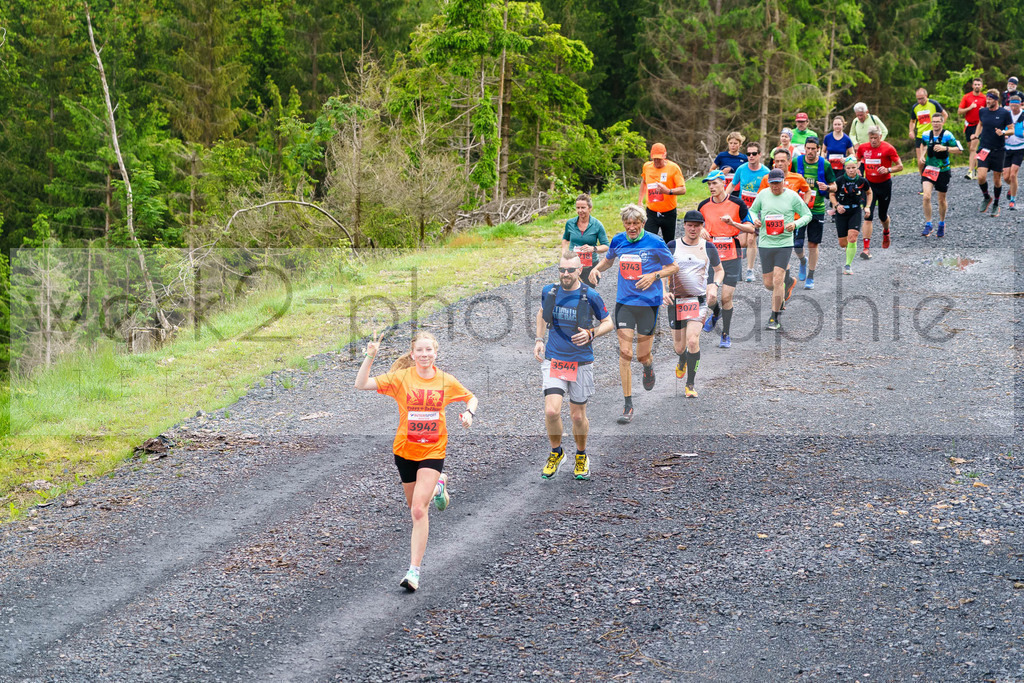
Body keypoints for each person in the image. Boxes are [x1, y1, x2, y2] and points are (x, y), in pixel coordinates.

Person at [354, 330, 478, 592]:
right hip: (404, 451)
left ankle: (414, 571)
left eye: (428, 350)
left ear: (436, 353)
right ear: (412, 354)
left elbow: (471, 397)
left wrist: (469, 413)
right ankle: (439, 486)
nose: (424, 355)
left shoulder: (445, 380)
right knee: (414, 504)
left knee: (419, 511)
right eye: (419, 351)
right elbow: (361, 384)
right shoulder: (401, 378)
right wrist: (369, 356)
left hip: (433, 450)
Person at [588, 204, 678, 424]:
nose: (631, 227)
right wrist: (596, 269)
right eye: (627, 224)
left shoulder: (655, 242)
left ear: (642, 223)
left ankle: (648, 366)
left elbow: (673, 267)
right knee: (625, 353)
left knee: (641, 356)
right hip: (625, 302)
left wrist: (655, 275)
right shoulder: (618, 240)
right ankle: (628, 405)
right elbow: (609, 259)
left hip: (648, 304)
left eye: (635, 224)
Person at [535, 252, 613, 481]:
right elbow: (541, 313)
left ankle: (581, 455)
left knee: (578, 417)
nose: (565, 274)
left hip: (580, 361)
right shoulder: (549, 291)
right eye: (562, 270)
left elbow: (608, 322)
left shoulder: (591, 296)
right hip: (555, 359)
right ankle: (556, 452)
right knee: (551, 410)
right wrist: (539, 340)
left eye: (570, 270)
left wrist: (591, 333)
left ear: (580, 270)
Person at [664, 211, 724, 397]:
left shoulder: (709, 247)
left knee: (692, 340)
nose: (693, 229)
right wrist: (664, 292)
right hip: (676, 302)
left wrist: (714, 285)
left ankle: (690, 385)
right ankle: (682, 358)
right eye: (689, 225)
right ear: (684, 225)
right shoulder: (672, 246)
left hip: (697, 301)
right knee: (679, 347)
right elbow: (661, 271)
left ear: (702, 227)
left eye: (697, 226)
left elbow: (719, 270)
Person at [698, 171, 756, 348]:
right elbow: (696, 225)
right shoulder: (703, 206)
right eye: (708, 184)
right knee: (710, 297)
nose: (711, 187)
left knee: (726, 298)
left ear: (724, 183)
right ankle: (716, 313)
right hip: (711, 255)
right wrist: (700, 230)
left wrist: (733, 224)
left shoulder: (737, 204)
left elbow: (751, 228)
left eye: (714, 183)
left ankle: (725, 334)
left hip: (732, 254)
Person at [748, 169, 807, 331]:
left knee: (777, 279)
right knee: (768, 284)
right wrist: (755, 220)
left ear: (783, 181)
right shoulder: (763, 195)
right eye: (772, 183)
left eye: (778, 183)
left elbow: (807, 215)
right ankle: (787, 284)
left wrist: (795, 224)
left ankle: (774, 317)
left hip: (784, 243)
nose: (775, 186)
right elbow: (752, 210)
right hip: (766, 243)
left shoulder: (792, 196)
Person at [790, 137, 837, 290]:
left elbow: (835, 186)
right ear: (804, 148)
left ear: (818, 149)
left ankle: (811, 275)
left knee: (812, 244)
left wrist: (828, 188)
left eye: (813, 149)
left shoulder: (825, 164)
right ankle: (802, 261)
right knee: (797, 245)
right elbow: (789, 180)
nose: (810, 152)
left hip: (817, 209)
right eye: (808, 148)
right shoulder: (797, 162)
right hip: (799, 209)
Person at [856, 127, 904, 258]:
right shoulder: (863, 148)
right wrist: (859, 169)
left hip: (884, 185)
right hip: (869, 186)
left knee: (882, 215)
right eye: (871, 138)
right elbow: (858, 160)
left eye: (875, 138)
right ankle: (866, 249)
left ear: (880, 137)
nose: (873, 141)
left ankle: (886, 231)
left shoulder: (888, 148)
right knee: (868, 214)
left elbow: (900, 166)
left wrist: (888, 169)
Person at [731, 141, 770, 282]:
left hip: (757, 210)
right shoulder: (741, 169)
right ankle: (746, 255)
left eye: (754, 153)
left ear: (759, 155)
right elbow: (732, 185)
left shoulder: (766, 172)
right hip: (743, 209)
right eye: (748, 154)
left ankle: (749, 270)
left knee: (751, 238)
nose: (751, 156)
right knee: (741, 242)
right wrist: (723, 198)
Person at [918, 113, 963, 237]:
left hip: (943, 170)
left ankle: (942, 223)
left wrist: (945, 148)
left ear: (942, 122)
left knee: (941, 199)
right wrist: (922, 155)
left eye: (938, 121)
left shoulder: (948, 135)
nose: (936, 124)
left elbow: (959, 150)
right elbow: (923, 144)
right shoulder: (926, 134)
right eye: (934, 121)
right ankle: (928, 224)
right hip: (929, 169)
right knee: (926, 196)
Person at [972, 89, 1013, 217]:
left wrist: (1004, 132)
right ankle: (986, 197)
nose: (987, 101)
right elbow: (980, 124)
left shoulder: (1004, 113)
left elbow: (1011, 130)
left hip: (998, 150)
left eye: (990, 99)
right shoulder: (982, 111)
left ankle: (996, 204)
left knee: (997, 180)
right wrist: (976, 134)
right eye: (987, 99)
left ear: (996, 100)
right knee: (981, 176)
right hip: (984, 148)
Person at [829, 157, 872, 275]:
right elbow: (832, 194)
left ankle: (848, 265)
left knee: (852, 238)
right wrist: (837, 205)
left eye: (853, 167)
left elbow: (869, 192)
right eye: (848, 168)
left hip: (855, 210)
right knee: (843, 243)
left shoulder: (862, 181)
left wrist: (867, 206)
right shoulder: (839, 180)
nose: (851, 170)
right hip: (842, 212)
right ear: (845, 168)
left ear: (857, 167)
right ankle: (850, 249)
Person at [639, 142, 686, 243]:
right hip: (651, 212)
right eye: (654, 159)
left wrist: (668, 191)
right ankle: (651, 258)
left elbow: (683, 189)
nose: (656, 161)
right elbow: (643, 183)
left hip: (669, 212)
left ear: (665, 156)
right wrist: (640, 202)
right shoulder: (647, 166)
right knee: (648, 240)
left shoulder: (673, 168)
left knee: (669, 243)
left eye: (659, 159)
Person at [561, 193, 609, 285]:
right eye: (578, 208)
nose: (580, 210)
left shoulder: (597, 225)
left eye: (583, 207)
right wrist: (564, 255)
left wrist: (593, 249)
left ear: (590, 208)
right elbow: (565, 239)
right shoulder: (570, 223)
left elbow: (606, 246)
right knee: (572, 293)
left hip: (590, 266)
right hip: (573, 264)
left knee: (587, 294)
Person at [909, 88, 947, 176]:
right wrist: (911, 131)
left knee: (934, 159)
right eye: (918, 99)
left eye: (922, 98)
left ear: (926, 96)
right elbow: (912, 121)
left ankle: (937, 178)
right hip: (920, 136)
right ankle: (924, 181)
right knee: (921, 161)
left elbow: (945, 115)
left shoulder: (934, 104)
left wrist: (940, 126)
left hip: (933, 135)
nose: (920, 101)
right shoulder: (915, 107)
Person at [959, 77, 987, 179]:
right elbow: (959, 111)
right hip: (968, 125)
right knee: (971, 148)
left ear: (981, 86)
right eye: (975, 84)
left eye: (978, 85)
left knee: (972, 148)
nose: (977, 86)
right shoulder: (967, 97)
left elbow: (990, 110)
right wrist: (970, 107)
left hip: (979, 125)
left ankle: (970, 171)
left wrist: (985, 110)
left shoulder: (984, 98)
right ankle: (976, 169)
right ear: (972, 86)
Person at [1002, 94, 1023, 210]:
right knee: (1006, 177)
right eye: (1011, 106)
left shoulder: (1023, 116)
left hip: (1019, 148)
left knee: (1013, 174)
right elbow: (1001, 128)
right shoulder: (1006, 115)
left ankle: (1013, 200)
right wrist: (1003, 134)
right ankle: (1012, 187)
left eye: (1016, 106)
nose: (1014, 108)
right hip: (1007, 148)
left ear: (1020, 105)